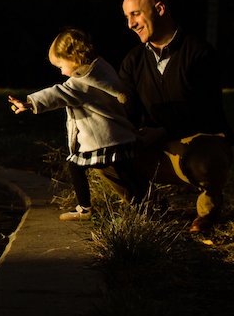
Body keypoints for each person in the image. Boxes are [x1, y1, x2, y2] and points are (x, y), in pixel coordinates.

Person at [117, 0, 234, 234]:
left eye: (136, 14)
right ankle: (150, 208)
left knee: (208, 161)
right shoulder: (133, 61)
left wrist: (161, 131)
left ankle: (208, 210)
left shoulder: (199, 53)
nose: (130, 24)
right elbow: (126, 112)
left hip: (197, 143)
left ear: (160, 9)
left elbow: (206, 112)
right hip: (154, 148)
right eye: (127, 17)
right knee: (103, 154)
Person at [8, 27, 143, 222]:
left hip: (102, 141)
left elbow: (57, 94)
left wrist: (29, 103)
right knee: (125, 174)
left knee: (75, 165)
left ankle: (84, 208)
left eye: (61, 65)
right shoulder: (102, 69)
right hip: (120, 136)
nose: (62, 72)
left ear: (74, 58)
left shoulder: (81, 84)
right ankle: (144, 205)